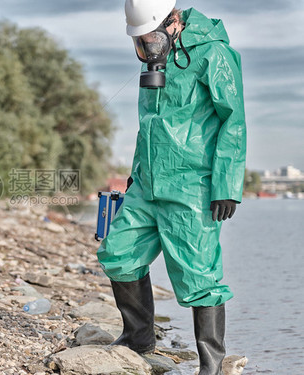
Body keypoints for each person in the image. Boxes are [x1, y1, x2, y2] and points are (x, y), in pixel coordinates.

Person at [97, 1, 246, 374]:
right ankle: (138, 339)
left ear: (174, 22)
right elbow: (148, 125)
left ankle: (211, 362)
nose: (146, 47)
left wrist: (226, 185)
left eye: (150, 37)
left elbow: (234, 122)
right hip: (147, 185)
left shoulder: (215, 53)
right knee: (118, 254)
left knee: (200, 276)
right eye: (140, 40)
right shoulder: (154, 65)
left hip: (191, 185)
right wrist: (135, 173)